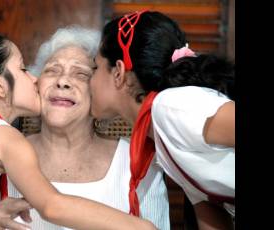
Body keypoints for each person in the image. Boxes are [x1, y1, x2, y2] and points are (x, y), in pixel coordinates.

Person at [0, 33, 155, 230]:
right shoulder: (5, 140)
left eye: (80, 73)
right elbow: (52, 205)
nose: (36, 79)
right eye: (27, 70)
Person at [0, 26, 170, 230]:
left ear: (98, 91)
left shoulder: (138, 162)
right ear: (35, 85)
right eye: (52, 70)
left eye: (81, 74)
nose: (63, 81)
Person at [89, 10, 235, 229]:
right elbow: (210, 212)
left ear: (118, 72)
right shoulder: (161, 139)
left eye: (95, 67)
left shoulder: (171, 107)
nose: (89, 80)